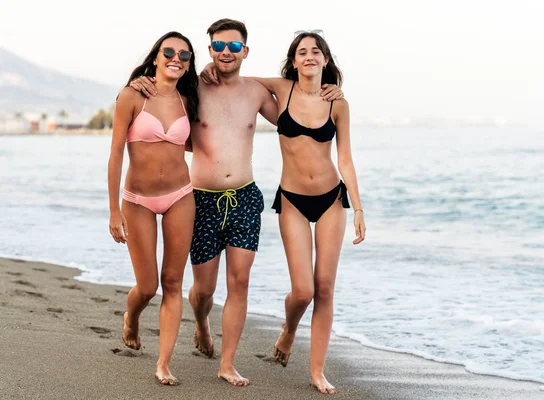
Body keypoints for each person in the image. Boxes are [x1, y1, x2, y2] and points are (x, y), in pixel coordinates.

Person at [129, 19, 344, 387]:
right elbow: (162, 104)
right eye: (218, 46)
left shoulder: (257, 93)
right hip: (201, 199)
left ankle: (227, 364)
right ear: (209, 49)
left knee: (239, 282)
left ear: (245, 52)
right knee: (205, 290)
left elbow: (298, 121)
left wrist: (330, 94)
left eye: (233, 47)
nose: (225, 52)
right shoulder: (192, 88)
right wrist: (139, 81)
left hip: (245, 196)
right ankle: (201, 321)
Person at [202, 30, 366, 395]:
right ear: (294, 61)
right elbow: (237, 76)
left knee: (324, 288)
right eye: (302, 51)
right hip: (292, 199)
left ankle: (317, 372)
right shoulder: (282, 87)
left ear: (325, 59)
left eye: (316, 51)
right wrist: (206, 72)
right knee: (303, 290)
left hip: (331, 199)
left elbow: (346, 158)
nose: (309, 56)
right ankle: (289, 329)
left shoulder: (338, 103)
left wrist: (358, 207)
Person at [108, 31, 199, 386]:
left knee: (173, 282)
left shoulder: (188, 99)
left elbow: (200, 140)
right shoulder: (132, 95)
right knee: (147, 286)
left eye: (185, 55)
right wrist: (114, 209)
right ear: (156, 56)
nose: (177, 58)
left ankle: (163, 362)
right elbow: (116, 152)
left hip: (180, 196)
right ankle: (131, 317)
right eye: (169, 52)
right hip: (137, 200)